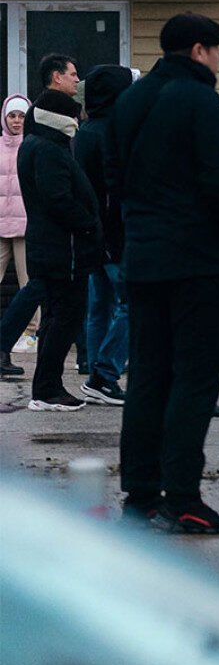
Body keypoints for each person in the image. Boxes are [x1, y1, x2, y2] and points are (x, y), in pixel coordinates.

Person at [115, 13, 219, 534]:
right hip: (197, 264)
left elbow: (115, 178)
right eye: (217, 52)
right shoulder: (202, 102)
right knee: (196, 381)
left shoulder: (130, 101)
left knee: (149, 378)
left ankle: (141, 496)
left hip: (143, 262)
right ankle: (184, 497)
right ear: (198, 51)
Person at [17, 88, 105, 411]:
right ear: (60, 119)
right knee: (64, 318)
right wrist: (88, 224)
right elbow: (58, 200)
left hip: (51, 249)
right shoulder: (49, 150)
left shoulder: (36, 145)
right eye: (73, 115)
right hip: (62, 251)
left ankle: (46, 386)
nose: (77, 120)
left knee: (55, 319)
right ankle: (47, 389)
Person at [0, 57, 82, 374]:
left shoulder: (33, 138)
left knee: (37, 287)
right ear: (56, 76)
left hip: (30, 223)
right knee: (41, 287)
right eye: (73, 74)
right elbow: (51, 187)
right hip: (45, 227)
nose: (77, 80)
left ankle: (83, 358)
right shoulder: (45, 128)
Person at [74, 65, 133, 403]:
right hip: (116, 237)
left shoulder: (86, 131)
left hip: (94, 236)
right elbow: (114, 192)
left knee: (100, 305)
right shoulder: (112, 133)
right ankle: (104, 375)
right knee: (131, 303)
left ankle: (95, 371)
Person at [0, 93, 28, 379]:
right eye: (12, 116)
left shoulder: (30, 146)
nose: (17, 120)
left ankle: (30, 334)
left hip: (25, 226)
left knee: (28, 283)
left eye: (21, 116)